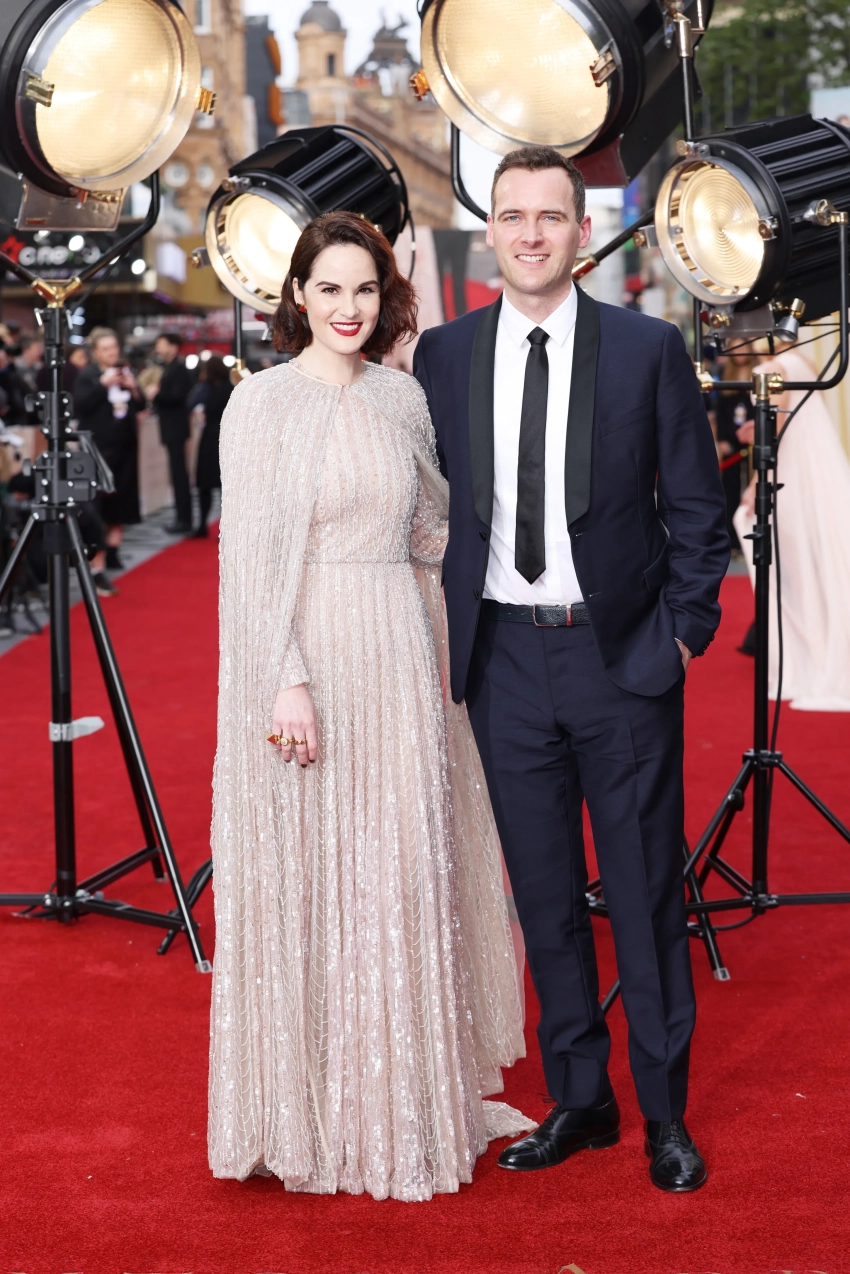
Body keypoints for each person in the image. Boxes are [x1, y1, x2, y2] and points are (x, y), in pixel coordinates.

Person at [413, 146, 730, 1193]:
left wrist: (681, 632)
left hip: (620, 656)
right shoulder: (445, 356)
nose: (532, 233)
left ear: (581, 233)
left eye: (551, 216)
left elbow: (699, 512)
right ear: (490, 233)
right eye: (513, 216)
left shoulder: (645, 348)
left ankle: (665, 1112)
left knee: (644, 893)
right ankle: (580, 1098)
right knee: (544, 896)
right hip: (503, 660)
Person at [208, 210, 532, 1198]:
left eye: (363, 289)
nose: (347, 307)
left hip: (399, 657)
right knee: (316, 875)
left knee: (399, 874)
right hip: (307, 656)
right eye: (329, 288)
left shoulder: (402, 398)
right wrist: (284, 680)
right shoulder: (258, 405)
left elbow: (432, 529)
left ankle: (406, 1100)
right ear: (296, 296)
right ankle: (313, 1109)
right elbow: (249, 565)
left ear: (383, 296)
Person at [733, 344, 850, 709]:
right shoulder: (805, 361)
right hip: (815, 474)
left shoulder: (773, 367)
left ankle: (808, 657)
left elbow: (775, 433)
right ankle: (818, 649)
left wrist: (755, 483)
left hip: (790, 478)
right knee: (814, 568)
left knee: (793, 576)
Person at [74, 327, 142, 583]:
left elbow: (141, 405)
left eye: (114, 347)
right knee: (96, 504)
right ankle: (97, 562)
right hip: (98, 449)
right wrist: (103, 385)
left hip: (125, 446)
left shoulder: (126, 372)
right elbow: (80, 405)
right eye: (106, 349)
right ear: (95, 352)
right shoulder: (88, 375)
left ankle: (113, 550)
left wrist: (133, 388)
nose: (112, 352)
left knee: (121, 500)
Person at [149, 332, 193, 534]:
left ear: (173, 346)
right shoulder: (169, 368)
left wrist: (156, 395)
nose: (158, 348)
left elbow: (177, 397)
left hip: (176, 427)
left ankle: (184, 519)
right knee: (176, 473)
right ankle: (182, 518)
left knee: (179, 473)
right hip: (172, 427)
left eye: (162, 344)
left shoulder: (178, 369)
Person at [190, 354, 231, 537]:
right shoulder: (228, 388)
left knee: (209, 485)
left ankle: (203, 525)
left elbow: (193, 404)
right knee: (217, 485)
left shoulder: (213, 389)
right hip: (222, 439)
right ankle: (222, 527)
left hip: (214, 439)